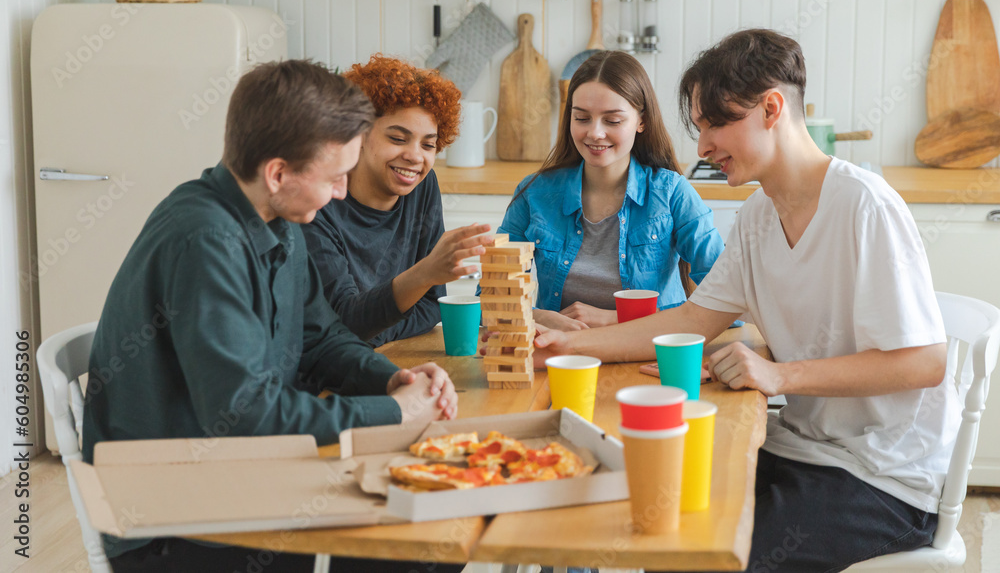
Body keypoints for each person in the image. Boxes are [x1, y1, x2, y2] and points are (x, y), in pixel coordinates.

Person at [533, 29, 959, 572]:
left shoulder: (864, 205)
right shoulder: (758, 216)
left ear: (771, 109)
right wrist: (568, 345)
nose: (703, 146)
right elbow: (692, 317)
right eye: (699, 127)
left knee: (710, 555)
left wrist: (780, 376)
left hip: (884, 477)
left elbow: (924, 362)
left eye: (716, 124)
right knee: (656, 506)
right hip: (800, 447)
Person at [82, 60, 460, 573]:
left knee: (439, 530)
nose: (342, 193)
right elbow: (245, 413)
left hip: (240, 475)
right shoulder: (205, 241)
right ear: (278, 173)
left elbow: (321, 336)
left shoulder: (275, 216)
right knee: (430, 550)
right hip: (174, 521)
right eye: (335, 177)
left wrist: (393, 379)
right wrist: (394, 413)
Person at [496, 50, 724, 331]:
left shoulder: (672, 193)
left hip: (646, 353)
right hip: (562, 353)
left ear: (641, 121)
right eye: (582, 118)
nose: (595, 133)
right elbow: (491, 301)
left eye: (613, 120)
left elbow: (729, 302)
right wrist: (537, 317)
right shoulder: (533, 194)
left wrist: (617, 319)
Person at [302, 55, 491, 347]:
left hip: (382, 355)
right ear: (358, 133)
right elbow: (341, 323)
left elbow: (431, 306)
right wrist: (424, 273)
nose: (415, 157)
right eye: (398, 139)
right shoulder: (317, 201)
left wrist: (373, 332)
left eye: (428, 144)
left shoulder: (422, 185)